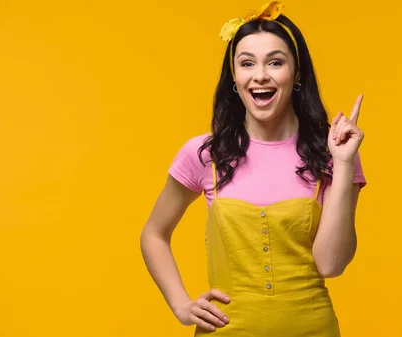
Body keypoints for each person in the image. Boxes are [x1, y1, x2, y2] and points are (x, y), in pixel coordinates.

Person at [140, 1, 367, 336]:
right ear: (235, 76)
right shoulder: (206, 154)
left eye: (275, 62)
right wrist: (182, 305)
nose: (260, 74)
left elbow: (331, 265)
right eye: (247, 63)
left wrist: (344, 162)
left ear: (297, 72)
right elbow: (154, 234)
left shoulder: (333, 151)